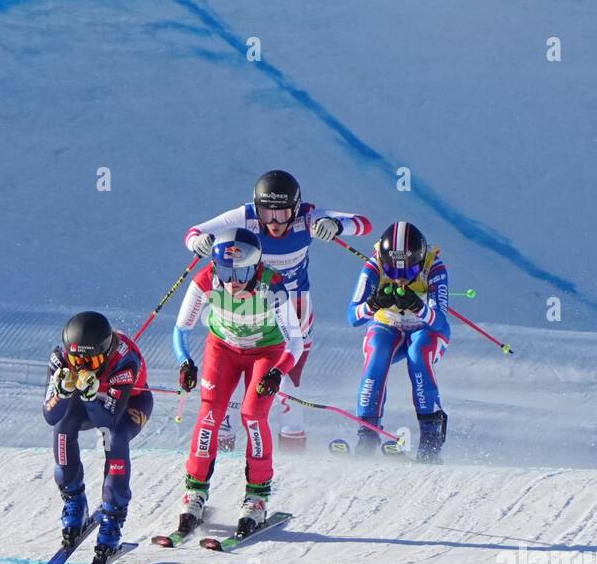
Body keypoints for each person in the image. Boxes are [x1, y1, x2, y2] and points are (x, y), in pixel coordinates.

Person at [183, 170, 370, 450]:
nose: (273, 222)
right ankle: (223, 446)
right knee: (234, 371)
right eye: (265, 213)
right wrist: (198, 242)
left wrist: (335, 225)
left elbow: (363, 223)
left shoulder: (307, 217)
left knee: (287, 377)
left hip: (293, 302)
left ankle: (292, 447)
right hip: (252, 302)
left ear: (294, 209)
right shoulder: (245, 217)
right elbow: (194, 232)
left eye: (281, 214)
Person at [173, 228, 305, 538]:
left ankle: (257, 498)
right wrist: (185, 361)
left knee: (253, 416)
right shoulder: (206, 280)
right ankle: (195, 493)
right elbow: (181, 329)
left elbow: (295, 341)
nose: (233, 281)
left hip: (266, 351)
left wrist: (278, 371)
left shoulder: (272, 285)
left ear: (256, 267)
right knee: (209, 415)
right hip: (223, 348)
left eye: (243, 272)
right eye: (226, 271)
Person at [43, 311, 153, 564]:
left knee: (114, 438)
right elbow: (50, 415)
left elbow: (108, 421)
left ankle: (113, 520)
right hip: (90, 400)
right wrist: (61, 393)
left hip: (127, 404)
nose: (81, 368)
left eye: (90, 364)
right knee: (62, 427)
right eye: (76, 361)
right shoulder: (60, 359)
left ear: (105, 354)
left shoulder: (125, 361)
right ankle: (74, 501)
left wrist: (91, 397)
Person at [346, 221, 450, 463]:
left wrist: (418, 306)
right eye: (393, 272)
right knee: (377, 352)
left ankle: (431, 441)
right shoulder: (373, 266)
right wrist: (373, 304)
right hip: (388, 326)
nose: (401, 279)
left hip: (425, 329)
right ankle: (367, 435)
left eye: (410, 272)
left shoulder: (434, 267)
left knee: (419, 355)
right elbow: (353, 317)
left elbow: (440, 321)